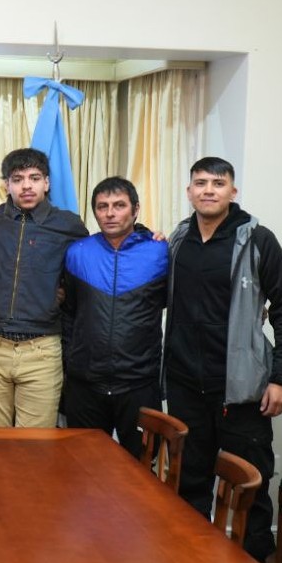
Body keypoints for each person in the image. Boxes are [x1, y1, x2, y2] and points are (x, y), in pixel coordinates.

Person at [165, 156, 282, 563]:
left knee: (248, 486)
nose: (208, 190)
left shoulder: (258, 239)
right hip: (186, 386)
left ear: (233, 191)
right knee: (189, 485)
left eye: (218, 183)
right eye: (200, 183)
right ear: (189, 192)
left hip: (241, 390)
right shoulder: (178, 241)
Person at [0, 148, 88, 427]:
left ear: (47, 183)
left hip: (41, 349)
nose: (27, 186)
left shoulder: (69, 225)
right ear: (6, 185)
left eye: (34, 178)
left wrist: (140, 233)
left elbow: (95, 256)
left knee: (35, 446)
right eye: (18, 179)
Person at [61, 177, 167, 457]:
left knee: (141, 467)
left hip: (138, 383)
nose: (110, 213)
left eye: (119, 205)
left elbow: (173, 304)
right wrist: (71, 361)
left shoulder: (160, 252)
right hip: (85, 383)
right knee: (83, 465)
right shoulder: (77, 253)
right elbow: (68, 312)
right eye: (102, 206)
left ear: (135, 209)